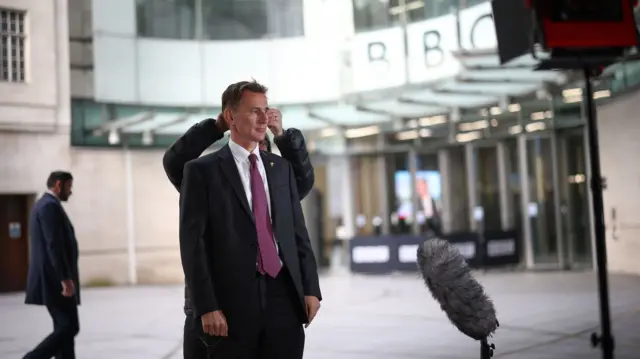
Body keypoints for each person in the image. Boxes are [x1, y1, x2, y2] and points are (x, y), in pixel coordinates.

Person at [179, 80, 321, 359]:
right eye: (254, 111)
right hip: (230, 304)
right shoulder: (201, 171)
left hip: (284, 299)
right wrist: (206, 306)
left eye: (265, 110)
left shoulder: (281, 169)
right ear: (230, 116)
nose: (263, 118)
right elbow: (193, 245)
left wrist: (311, 289)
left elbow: (298, 233)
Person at [23, 171, 80, 359]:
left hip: (54, 279)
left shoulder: (47, 205)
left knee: (64, 329)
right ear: (58, 184)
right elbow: (54, 244)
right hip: (55, 281)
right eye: (69, 186)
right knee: (69, 327)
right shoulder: (49, 206)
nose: (70, 191)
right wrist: (66, 279)